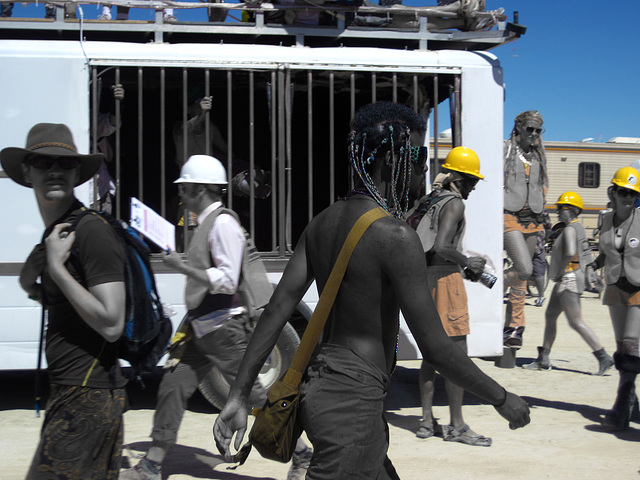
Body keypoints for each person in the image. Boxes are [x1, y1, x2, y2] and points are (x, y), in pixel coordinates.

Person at [214, 101, 530, 478]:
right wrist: (502, 397)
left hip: (323, 392)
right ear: (390, 160)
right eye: (417, 157)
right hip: (353, 409)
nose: (424, 170)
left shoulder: (321, 224)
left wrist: (237, 395)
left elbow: (276, 310)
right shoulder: (396, 237)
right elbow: (437, 349)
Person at [120, 154, 311, 480]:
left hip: (224, 329)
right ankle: (152, 464)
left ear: (199, 189)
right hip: (202, 329)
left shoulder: (223, 224)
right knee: (172, 387)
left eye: (185, 188)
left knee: (255, 396)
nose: (181, 195)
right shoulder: (205, 221)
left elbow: (225, 278)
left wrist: (183, 267)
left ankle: (304, 453)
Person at [0, 123, 127, 479]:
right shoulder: (58, 232)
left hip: (88, 394)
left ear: (76, 173)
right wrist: (32, 286)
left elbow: (112, 322)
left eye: (65, 164)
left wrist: (56, 269)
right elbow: (73, 310)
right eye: (43, 162)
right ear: (26, 171)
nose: (55, 170)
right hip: (72, 392)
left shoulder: (90, 231)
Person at [406, 146, 492, 447]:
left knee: (432, 354)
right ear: (457, 177)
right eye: (470, 181)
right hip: (445, 281)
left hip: (423, 281)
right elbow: (442, 246)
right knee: (456, 356)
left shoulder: (431, 198)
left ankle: (427, 421)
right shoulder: (454, 203)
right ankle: (457, 426)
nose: (473, 187)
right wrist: (469, 263)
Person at [523, 191, 614, 375]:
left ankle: (603, 356)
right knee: (550, 316)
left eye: (560, 208)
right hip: (572, 277)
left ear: (570, 209)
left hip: (568, 278)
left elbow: (569, 251)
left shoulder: (570, 229)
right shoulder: (579, 227)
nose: (557, 211)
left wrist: (559, 271)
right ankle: (544, 357)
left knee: (576, 321)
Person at [589, 167, 640, 430]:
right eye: (623, 191)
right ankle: (632, 402)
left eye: (633, 193)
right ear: (613, 192)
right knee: (622, 347)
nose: (628, 197)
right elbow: (606, 252)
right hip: (613, 286)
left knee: (632, 346)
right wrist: (592, 265)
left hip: (638, 287)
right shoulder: (606, 220)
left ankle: (621, 405)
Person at [503, 110, 548, 349]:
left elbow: (542, 186)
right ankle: (494, 283)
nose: (533, 134)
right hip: (508, 216)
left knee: (522, 280)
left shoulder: (540, 155)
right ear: (519, 128)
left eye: (538, 130)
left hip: (534, 220)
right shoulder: (506, 149)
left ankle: (514, 328)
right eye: (529, 128)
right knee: (524, 267)